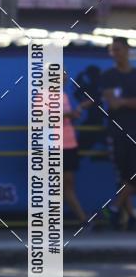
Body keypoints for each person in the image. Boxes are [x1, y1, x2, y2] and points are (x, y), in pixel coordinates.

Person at [101, 36, 136, 230]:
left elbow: (119, 101)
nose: (115, 53)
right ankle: (129, 216)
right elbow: (113, 102)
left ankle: (114, 208)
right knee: (124, 175)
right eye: (112, 50)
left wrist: (124, 101)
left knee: (131, 175)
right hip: (118, 132)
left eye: (118, 49)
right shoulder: (109, 76)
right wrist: (127, 102)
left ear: (127, 50)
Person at [62, 72, 88, 226]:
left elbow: (66, 117)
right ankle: (83, 219)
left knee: (68, 183)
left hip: (69, 144)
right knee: (59, 184)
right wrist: (70, 114)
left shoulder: (63, 95)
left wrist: (78, 109)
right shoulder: (42, 95)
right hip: (53, 146)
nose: (65, 78)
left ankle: (82, 219)